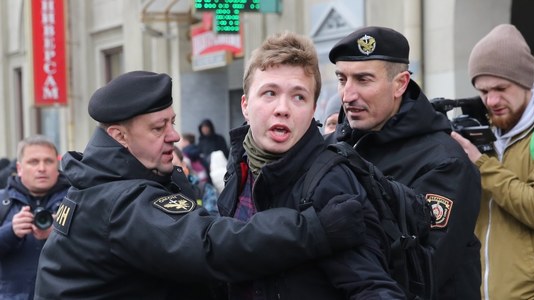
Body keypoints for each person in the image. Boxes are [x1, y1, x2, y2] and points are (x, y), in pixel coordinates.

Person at [33, 70, 369, 299]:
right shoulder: (119, 201)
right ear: (119, 136)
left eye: (173, 123)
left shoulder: (107, 181)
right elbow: (210, 246)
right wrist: (315, 228)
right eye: (158, 128)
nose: (174, 136)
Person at [217, 31, 404, 299]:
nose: (283, 108)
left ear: (313, 108)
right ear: (246, 105)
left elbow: (370, 286)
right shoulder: (240, 165)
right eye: (269, 93)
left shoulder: (329, 180)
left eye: (298, 97)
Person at [326, 26, 482, 299]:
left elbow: (423, 273)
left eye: (363, 80)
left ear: (400, 84)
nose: (347, 95)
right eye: (342, 79)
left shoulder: (444, 163)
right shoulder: (333, 149)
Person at [452, 24, 534, 300]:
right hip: (490, 292)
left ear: (526, 81)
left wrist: (481, 163)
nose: (491, 100)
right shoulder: (487, 134)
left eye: (501, 88)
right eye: (483, 91)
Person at [0, 135, 69, 299]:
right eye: (33, 162)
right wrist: (11, 231)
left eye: (48, 161)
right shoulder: (2, 202)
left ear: (57, 165)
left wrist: (59, 233)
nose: (42, 168)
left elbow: (95, 249)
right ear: (19, 168)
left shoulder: (75, 201)